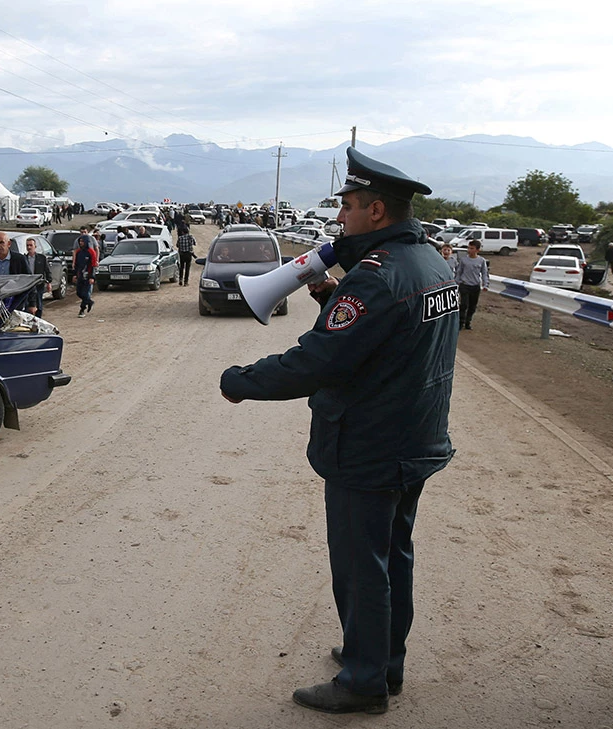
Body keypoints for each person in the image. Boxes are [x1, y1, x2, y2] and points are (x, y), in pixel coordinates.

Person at [219, 147, 459, 715]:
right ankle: (382, 660)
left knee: (361, 569)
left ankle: (362, 682)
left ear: (376, 211)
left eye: (347, 206)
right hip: (413, 439)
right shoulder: (430, 263)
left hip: (369, 447)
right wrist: (333, 298)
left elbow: (317, 364)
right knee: (393, 556)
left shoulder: (376, 278)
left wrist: (241, 380)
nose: (340, 218)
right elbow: (390, 343)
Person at [454, 239, 488, 330]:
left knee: (472, 306)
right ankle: (461, 322)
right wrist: (457, 282)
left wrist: (485, 284)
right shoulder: (463, 260)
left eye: (472, 248)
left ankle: (468, 322)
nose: (469, 250)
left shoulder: (481, 261)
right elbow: (459, 272)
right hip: (464, 285)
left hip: (475, 286)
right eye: (468, 248)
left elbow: (484, 273)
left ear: (477, 250)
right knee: (464, 304)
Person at [24, 237, 52, 317]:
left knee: (38, 303)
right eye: (27, 245)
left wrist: (49, 282)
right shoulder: (24, 259)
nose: (29, 247)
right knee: (27, 304)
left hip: (38, 284)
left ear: (35, 246)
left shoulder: (41, 258)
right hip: (27, 285)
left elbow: (47, 270)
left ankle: (38, 319)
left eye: (31, 245)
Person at [74, 234, 97, 318]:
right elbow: (76, 264)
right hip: (80, 275)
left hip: (88, 275)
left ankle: (82, 309)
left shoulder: (91, 252)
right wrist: (75, 274)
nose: (81, 243)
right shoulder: (79, 252)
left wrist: (92, 277)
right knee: (79, 292)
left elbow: (93, 265)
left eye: (82, 241)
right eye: (80, 241)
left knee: (86, 292)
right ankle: (89, 301)